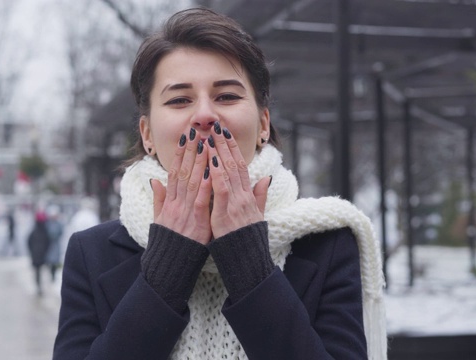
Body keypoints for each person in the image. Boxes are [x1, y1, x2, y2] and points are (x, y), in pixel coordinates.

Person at [54, 8, 386, 360]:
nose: (205, 115)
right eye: (179, 99)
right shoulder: (91, 253)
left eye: (227, 96)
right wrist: (169, 263)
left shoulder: (327, 243)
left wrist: (248, 261)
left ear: (263, 125)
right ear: (147, 133)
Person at [27, 211, 51, 296]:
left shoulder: (34, 231)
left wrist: (32, 251)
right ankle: (42, 287)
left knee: (38, 272)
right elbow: (48, 242)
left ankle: (39, 286)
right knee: (43, 271)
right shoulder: (45, 231)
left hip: (36, 255)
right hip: (43, 255)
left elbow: (28, 242)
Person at [45, 205, 64, 282]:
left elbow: (61, 232)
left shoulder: (58, 224)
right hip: (49, 244)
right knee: (50, 260)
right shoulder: (48, 224)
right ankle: (51, 274)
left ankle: (54, 275)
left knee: (55, 261)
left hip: (55, 244)